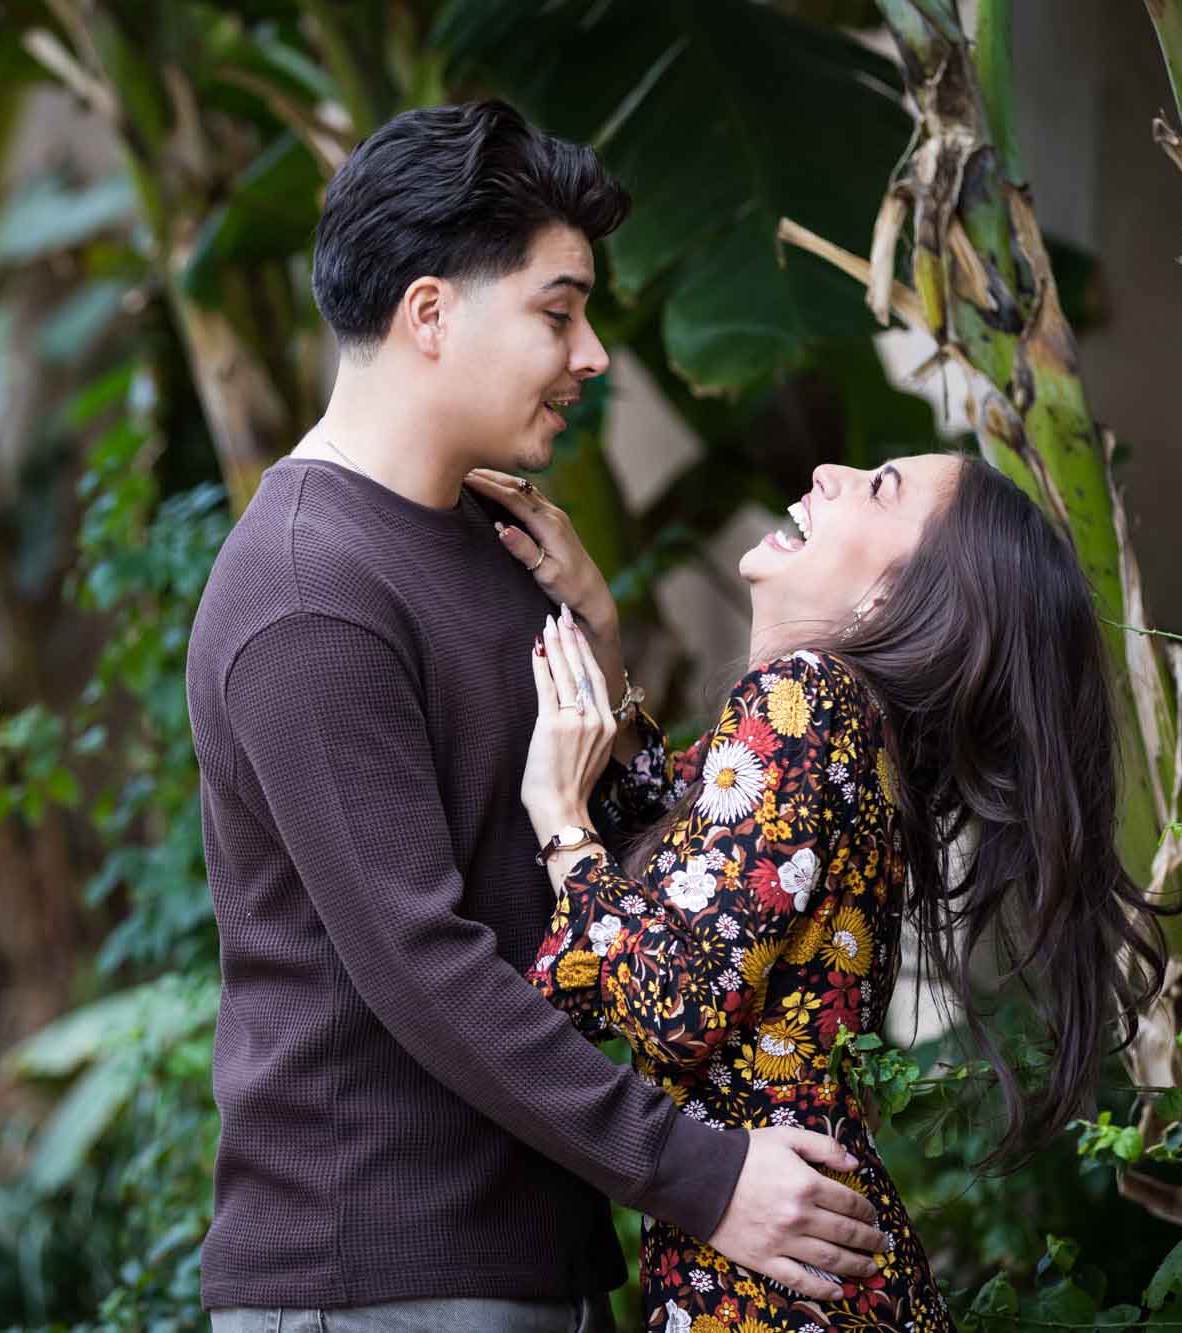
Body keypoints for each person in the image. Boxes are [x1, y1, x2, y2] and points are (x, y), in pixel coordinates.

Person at [186, 100, 886, 1333]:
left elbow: (617, 885)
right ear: (430, 315)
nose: (593, 353)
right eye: (557, 312)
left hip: (532, 1256)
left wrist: (605, 654)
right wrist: (702, 1176)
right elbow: (424, 964)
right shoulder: (308, 592)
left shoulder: (496, 544)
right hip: (380, 1279)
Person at [492, 454, 1170, 1329]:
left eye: (882, 486)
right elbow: (699, 893)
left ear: (899, 600)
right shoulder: (842, 727)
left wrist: (560, 823)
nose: (828, 470)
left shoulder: (810, 697)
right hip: (803, 1257)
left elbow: (677, 997)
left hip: (779, 1279)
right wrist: (604, 643)